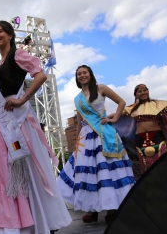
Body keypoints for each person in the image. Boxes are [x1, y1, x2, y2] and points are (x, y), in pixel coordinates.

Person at [0, 20, 72, 233]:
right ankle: (15, 219)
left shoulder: (18, 55)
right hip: (0, 124)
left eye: (0, 31)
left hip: (17, 120)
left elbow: (40, 74)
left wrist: (23, 99)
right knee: (4, 170)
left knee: (27, 166)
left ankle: (40, 219)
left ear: (10, 35)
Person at [57, 65, 135, 224]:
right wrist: (76, 144)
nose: (82, 75)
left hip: (104, 135)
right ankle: (91, 209)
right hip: (86, 138)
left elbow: (121, 102)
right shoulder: (78, 99)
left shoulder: (101, 88)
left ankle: (112, 208)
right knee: (88, 174)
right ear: (77, 78)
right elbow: (79, 122)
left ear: (90, 75)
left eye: (84, 72)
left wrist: (114, 118)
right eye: (79, 74)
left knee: (108, 171)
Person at [119, 84, 167, 178]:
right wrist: (105, 118)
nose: (143, 93)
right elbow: (117, 115)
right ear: (135, 95)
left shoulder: (158, 105)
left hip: (157, 137)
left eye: (145, 90)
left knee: (162, 162)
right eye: (139, 91)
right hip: (140, 140)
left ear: (148, 91)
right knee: (145, 166)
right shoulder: (132, 108)